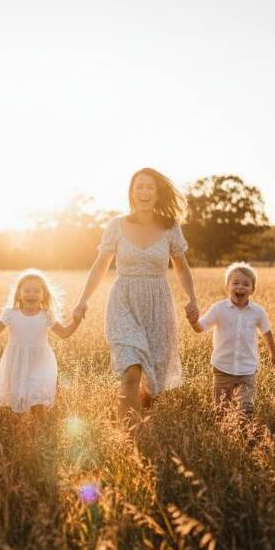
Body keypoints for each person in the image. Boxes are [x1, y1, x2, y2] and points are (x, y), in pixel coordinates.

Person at [73, 167, 199, 418]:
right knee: (131, 371)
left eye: (149, 187)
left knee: (154, 382)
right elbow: (101, 265)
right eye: (139, 186)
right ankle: (127, 436)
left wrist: (192, 299)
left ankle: (145, 433)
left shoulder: (170, 227)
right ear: (131, 192)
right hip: (123, 302)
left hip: (158, 304)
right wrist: (83, 300)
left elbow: (182, 268)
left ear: (157, 193)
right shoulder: (116, 226)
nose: (144, 192)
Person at [0, 269, 82, 417]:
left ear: (43, 295)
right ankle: (22, 434)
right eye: (27, 290)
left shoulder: (47, 315)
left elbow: (64, 333)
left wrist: (76, 321)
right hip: (17, 363)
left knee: (38, 400)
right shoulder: (11, 314)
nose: (31, 294)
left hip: (41, 363)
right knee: (18, 401)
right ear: (19, 294)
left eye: (36, 291)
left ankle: (40, 432)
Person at [190, 262, 275, 420]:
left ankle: (244, 435)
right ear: (227, 286)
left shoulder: (257, 312)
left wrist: (274, 355)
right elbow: (200, 327)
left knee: (246, 410)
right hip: (222, 369)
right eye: (236, 283)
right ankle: (225, 437)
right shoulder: (218, 309)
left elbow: (267, 332)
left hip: (247, 370)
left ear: (252, 289)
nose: (240, 287)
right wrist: (193, 321)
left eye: (246, 284)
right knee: (221, 411)